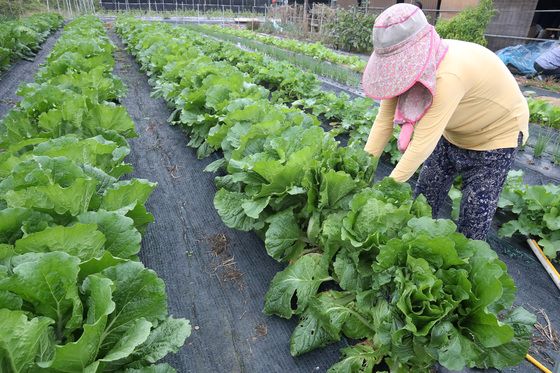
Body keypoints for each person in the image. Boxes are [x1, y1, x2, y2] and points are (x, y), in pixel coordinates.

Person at [362, 3, 529, 240]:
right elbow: (382, 123)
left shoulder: (448, 75)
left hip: (495, 135)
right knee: (423, 199)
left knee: (473, 222)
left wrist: (382, 191)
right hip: (452, 130)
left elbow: (420, 145)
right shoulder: (402, 74)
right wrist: (361, 173)